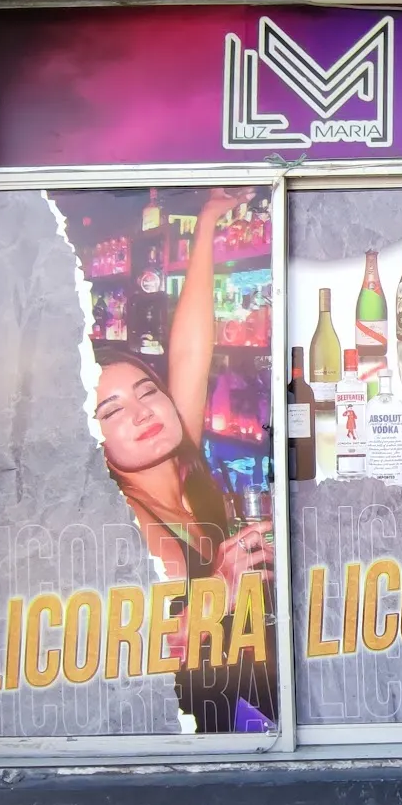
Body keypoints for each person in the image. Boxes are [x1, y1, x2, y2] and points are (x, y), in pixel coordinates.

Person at [90, 188, 276, 733]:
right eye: (112, 410)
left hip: (253, 706)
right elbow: (132, 660)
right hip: (201, 733)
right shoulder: (120, 519)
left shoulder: (181, 461)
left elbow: (192, 350)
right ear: (93, 437)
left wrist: (210, 219)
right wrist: (219, 588)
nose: (142, 412)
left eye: (148, 391)